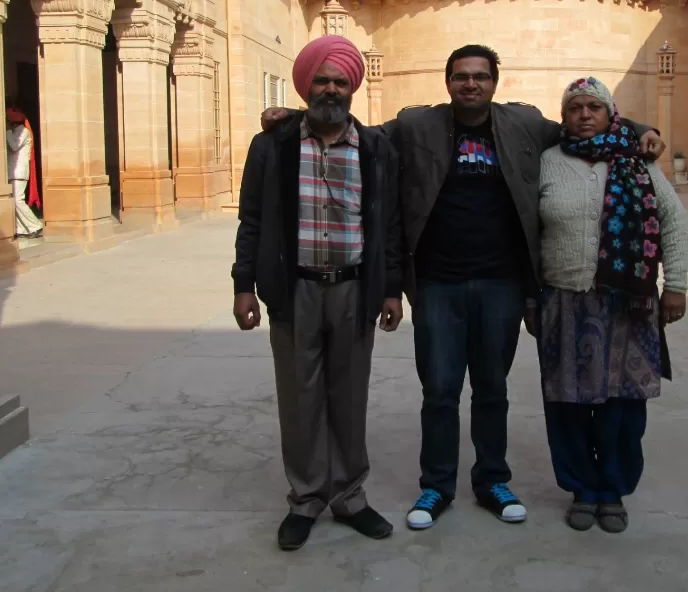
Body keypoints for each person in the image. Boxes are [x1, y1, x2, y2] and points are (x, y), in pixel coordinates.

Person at [260, 45, 665, 531]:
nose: (470, 84)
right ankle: (437, 484)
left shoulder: (524, 125)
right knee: (440, 390)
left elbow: (584, 125)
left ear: (495, 82)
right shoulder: (417, 127)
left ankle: (492, 478)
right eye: (460, 77)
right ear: (447, 82)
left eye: (480, 76)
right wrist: (291, 117)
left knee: (492, 389)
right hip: (437, 284)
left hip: (502, 283)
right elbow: (354, 133)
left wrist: (643, 130)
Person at [231, 35, 405, 552]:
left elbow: (388, 226)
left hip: (353, 289)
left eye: (340, 81)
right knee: (299, 395)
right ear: (307, 85)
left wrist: (391, 289)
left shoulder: (375, 148)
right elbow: (253, 219)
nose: (331, 88)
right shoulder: (273, 146)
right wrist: (244, 285)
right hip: (294, 289)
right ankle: (306, 498)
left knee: (348, 396)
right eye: (322, 80)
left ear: (354, 87)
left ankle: (349, 495)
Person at [534, 77, 688, 534]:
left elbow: (672, 221)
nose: (584, 115)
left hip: (627, 302)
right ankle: (582, 487)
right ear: (563, 116)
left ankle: (614, 490)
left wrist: (675, 285)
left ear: (610, 113)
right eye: (575, 107)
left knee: (622, 402)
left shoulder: (637, 160)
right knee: (568, 403)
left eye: (593, 107)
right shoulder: (546, 162)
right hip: (564, 299)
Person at [6, 107, 43, 239]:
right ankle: (22, 229)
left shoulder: (23, 131)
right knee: (14, 201)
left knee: (18, 201)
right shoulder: (15, 131)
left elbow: (14, 146)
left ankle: (35, 225)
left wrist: (8, 132)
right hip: (13, 171)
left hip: (19, 171)